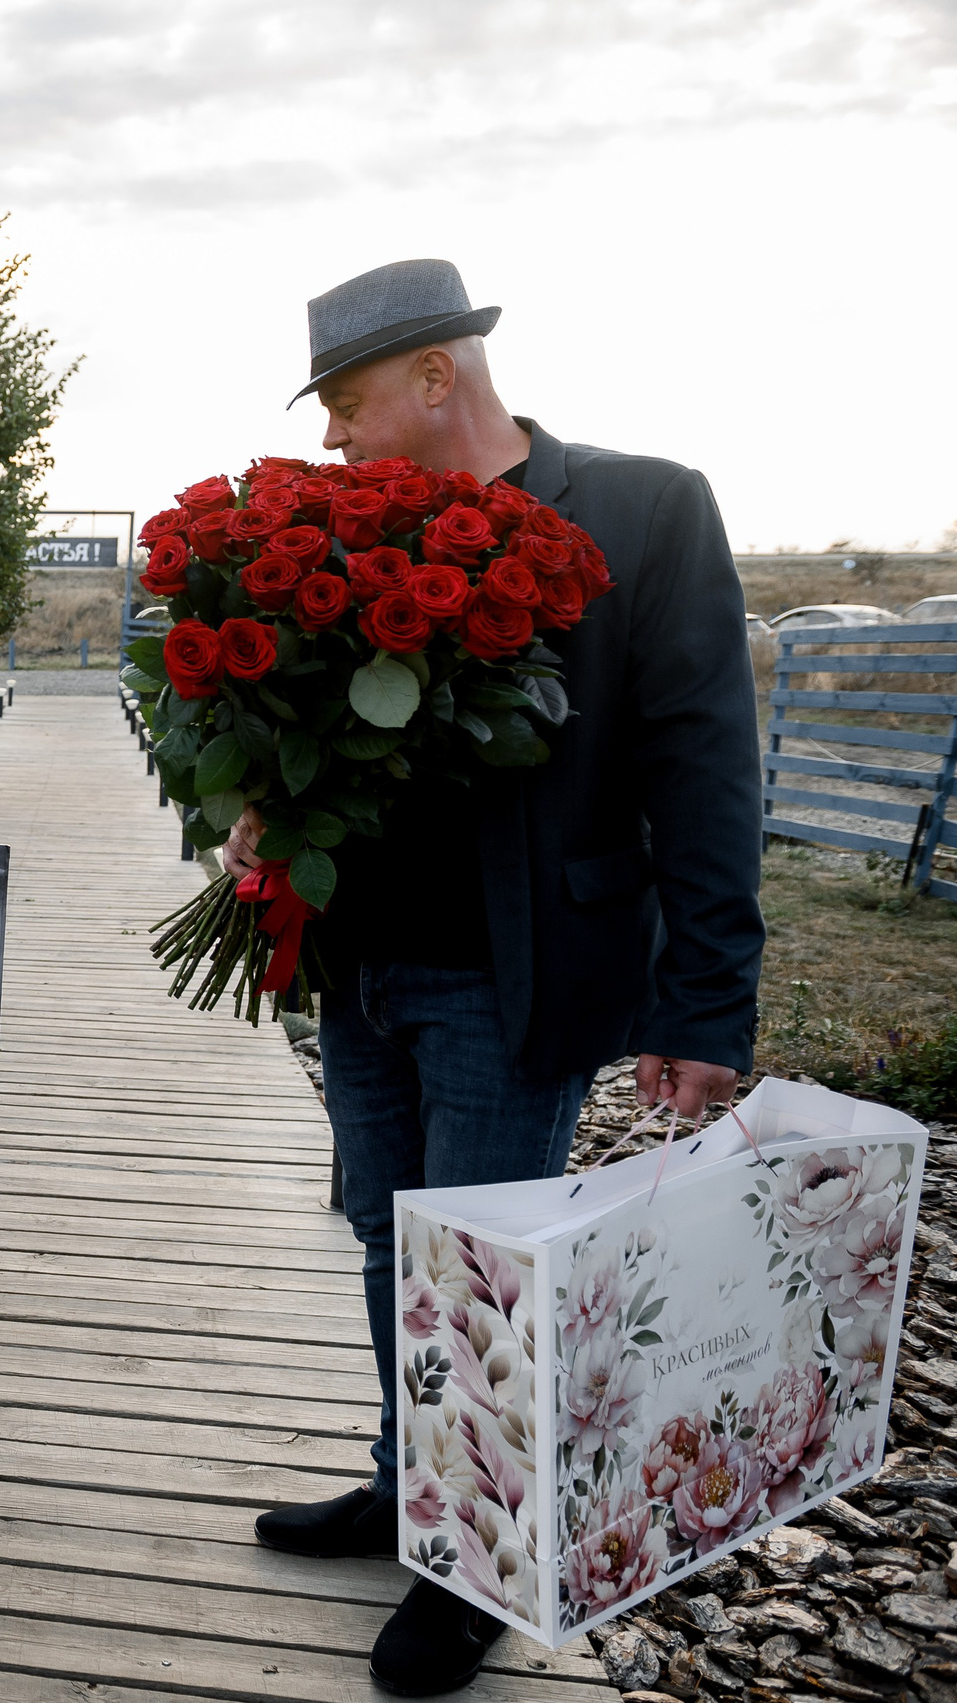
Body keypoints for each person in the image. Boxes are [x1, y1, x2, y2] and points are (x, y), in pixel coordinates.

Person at [235, 260, 763, 1696]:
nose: (332, 438)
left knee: (483, 1266)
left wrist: (703, 1000)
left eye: (346, 403)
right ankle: (410, 1484)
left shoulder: (647, 508)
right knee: (386, 1238)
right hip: (363, 963)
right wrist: (263, 803)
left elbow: (706, 769)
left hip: (517, 977)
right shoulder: (348, 532)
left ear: (435, 377)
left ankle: (471, 1563)